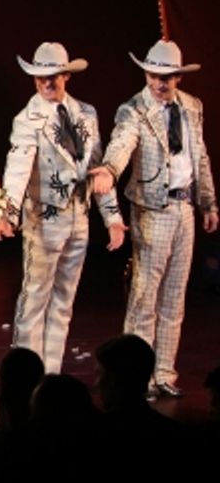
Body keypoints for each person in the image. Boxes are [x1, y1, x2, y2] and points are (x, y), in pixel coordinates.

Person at [91, 40, 217, 399]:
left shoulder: (192, 107)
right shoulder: (134, 110)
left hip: (184, 209)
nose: (159, 83)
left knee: (174, 298)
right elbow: (121, 144)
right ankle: (136, 376)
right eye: (153, 75)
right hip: (151, 209)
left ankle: (163, 370)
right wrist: (110, 170)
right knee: (144, 296)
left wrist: (208, 203)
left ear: (178, 76)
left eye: (166, 77)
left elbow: (200, 157)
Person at [0, 43, 125, 373]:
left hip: (78, 218)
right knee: (34, 298)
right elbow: (17, 169)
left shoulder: (87, 113)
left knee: (64, 302)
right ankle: (26, 377)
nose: (47, 83)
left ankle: (51, 375)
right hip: (43, 219)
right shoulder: (27, 120)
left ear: (66, 75)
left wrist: (112, 216)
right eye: (40, 78)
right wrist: (7, 212)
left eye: (53, 76)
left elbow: (98, 170)